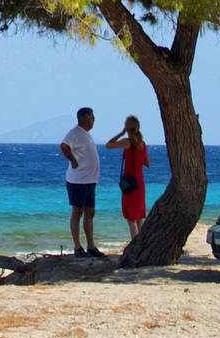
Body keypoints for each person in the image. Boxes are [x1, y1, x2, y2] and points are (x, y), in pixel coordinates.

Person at [60, 107, 103, 257]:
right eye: (93, 117)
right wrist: (73, 161)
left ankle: (91, 246)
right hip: (78, 181)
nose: (94, 120)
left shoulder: (86, 134)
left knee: (90, 212)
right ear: (87, 119)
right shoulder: (75, 133)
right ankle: (77, 247)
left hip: (89, 181)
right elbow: (64, 146)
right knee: (77, 212)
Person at [106, 114, 151, 239]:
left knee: (131, 219)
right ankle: (142, 244)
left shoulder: (127, 143)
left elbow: (108, 145)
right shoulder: (142, 144)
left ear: (127, 128)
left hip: (129, 183)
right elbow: (148, 164)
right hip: (140, 183)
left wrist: (121, 133)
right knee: (139, 218)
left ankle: (135, 245)